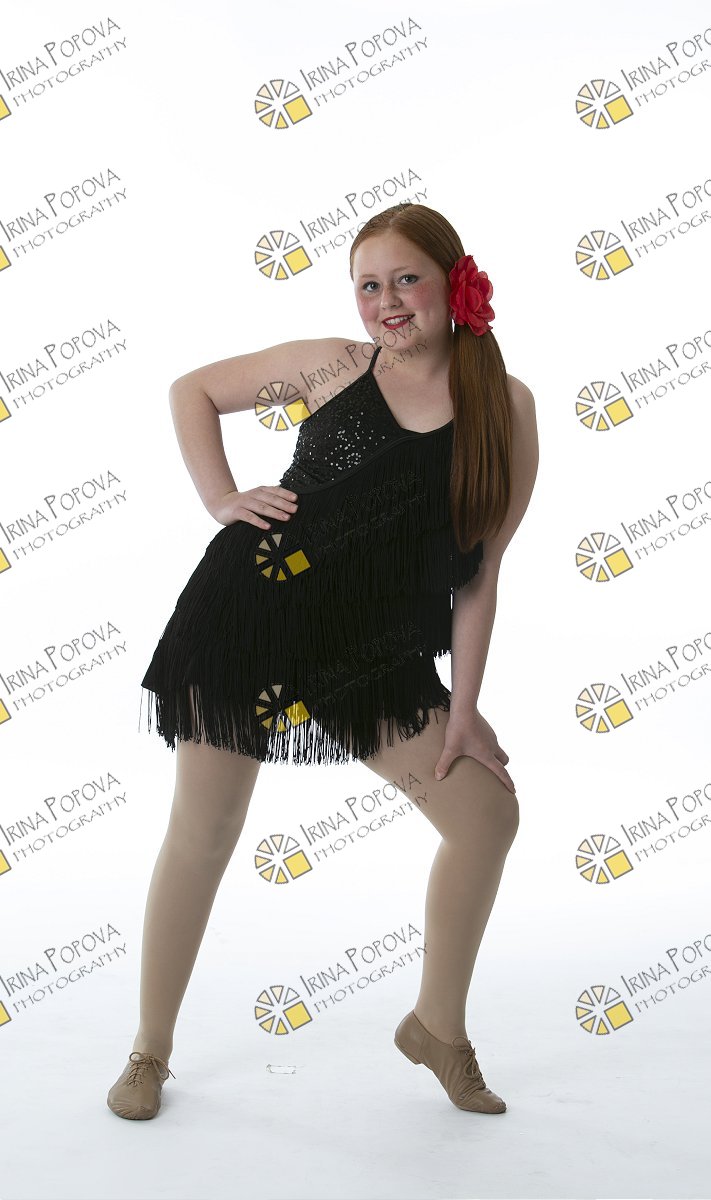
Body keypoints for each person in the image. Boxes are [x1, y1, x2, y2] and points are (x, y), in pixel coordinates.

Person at [106, 202, 539, 1121]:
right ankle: (149, 1050)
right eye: (368, 285)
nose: (387, 302)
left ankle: (438, 1027)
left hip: (369, 650)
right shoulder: (333, 366)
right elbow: (192, 389)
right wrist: (221, 496)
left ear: (453, 282)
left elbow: (481, 577)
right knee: (205, 833)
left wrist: (463, 710)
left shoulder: (505, 408)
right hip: (250, 617)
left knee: (486, 816)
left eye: (406, 279)